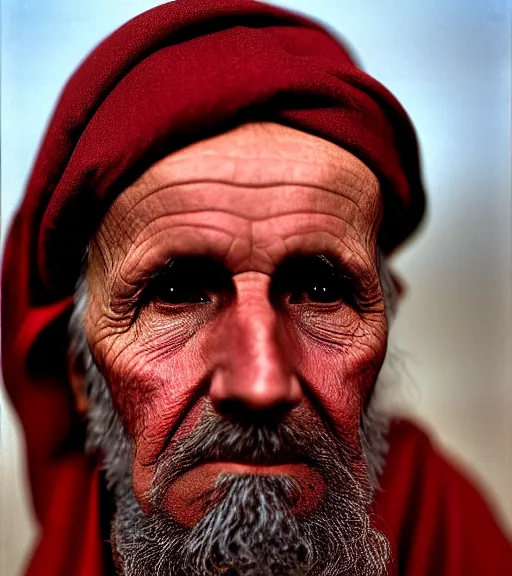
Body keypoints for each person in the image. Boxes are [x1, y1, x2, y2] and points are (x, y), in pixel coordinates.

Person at [2, 1, 511, 574]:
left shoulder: (447, 529)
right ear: (80, 372)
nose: (262, 382)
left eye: (321, 290)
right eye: (175, 292)